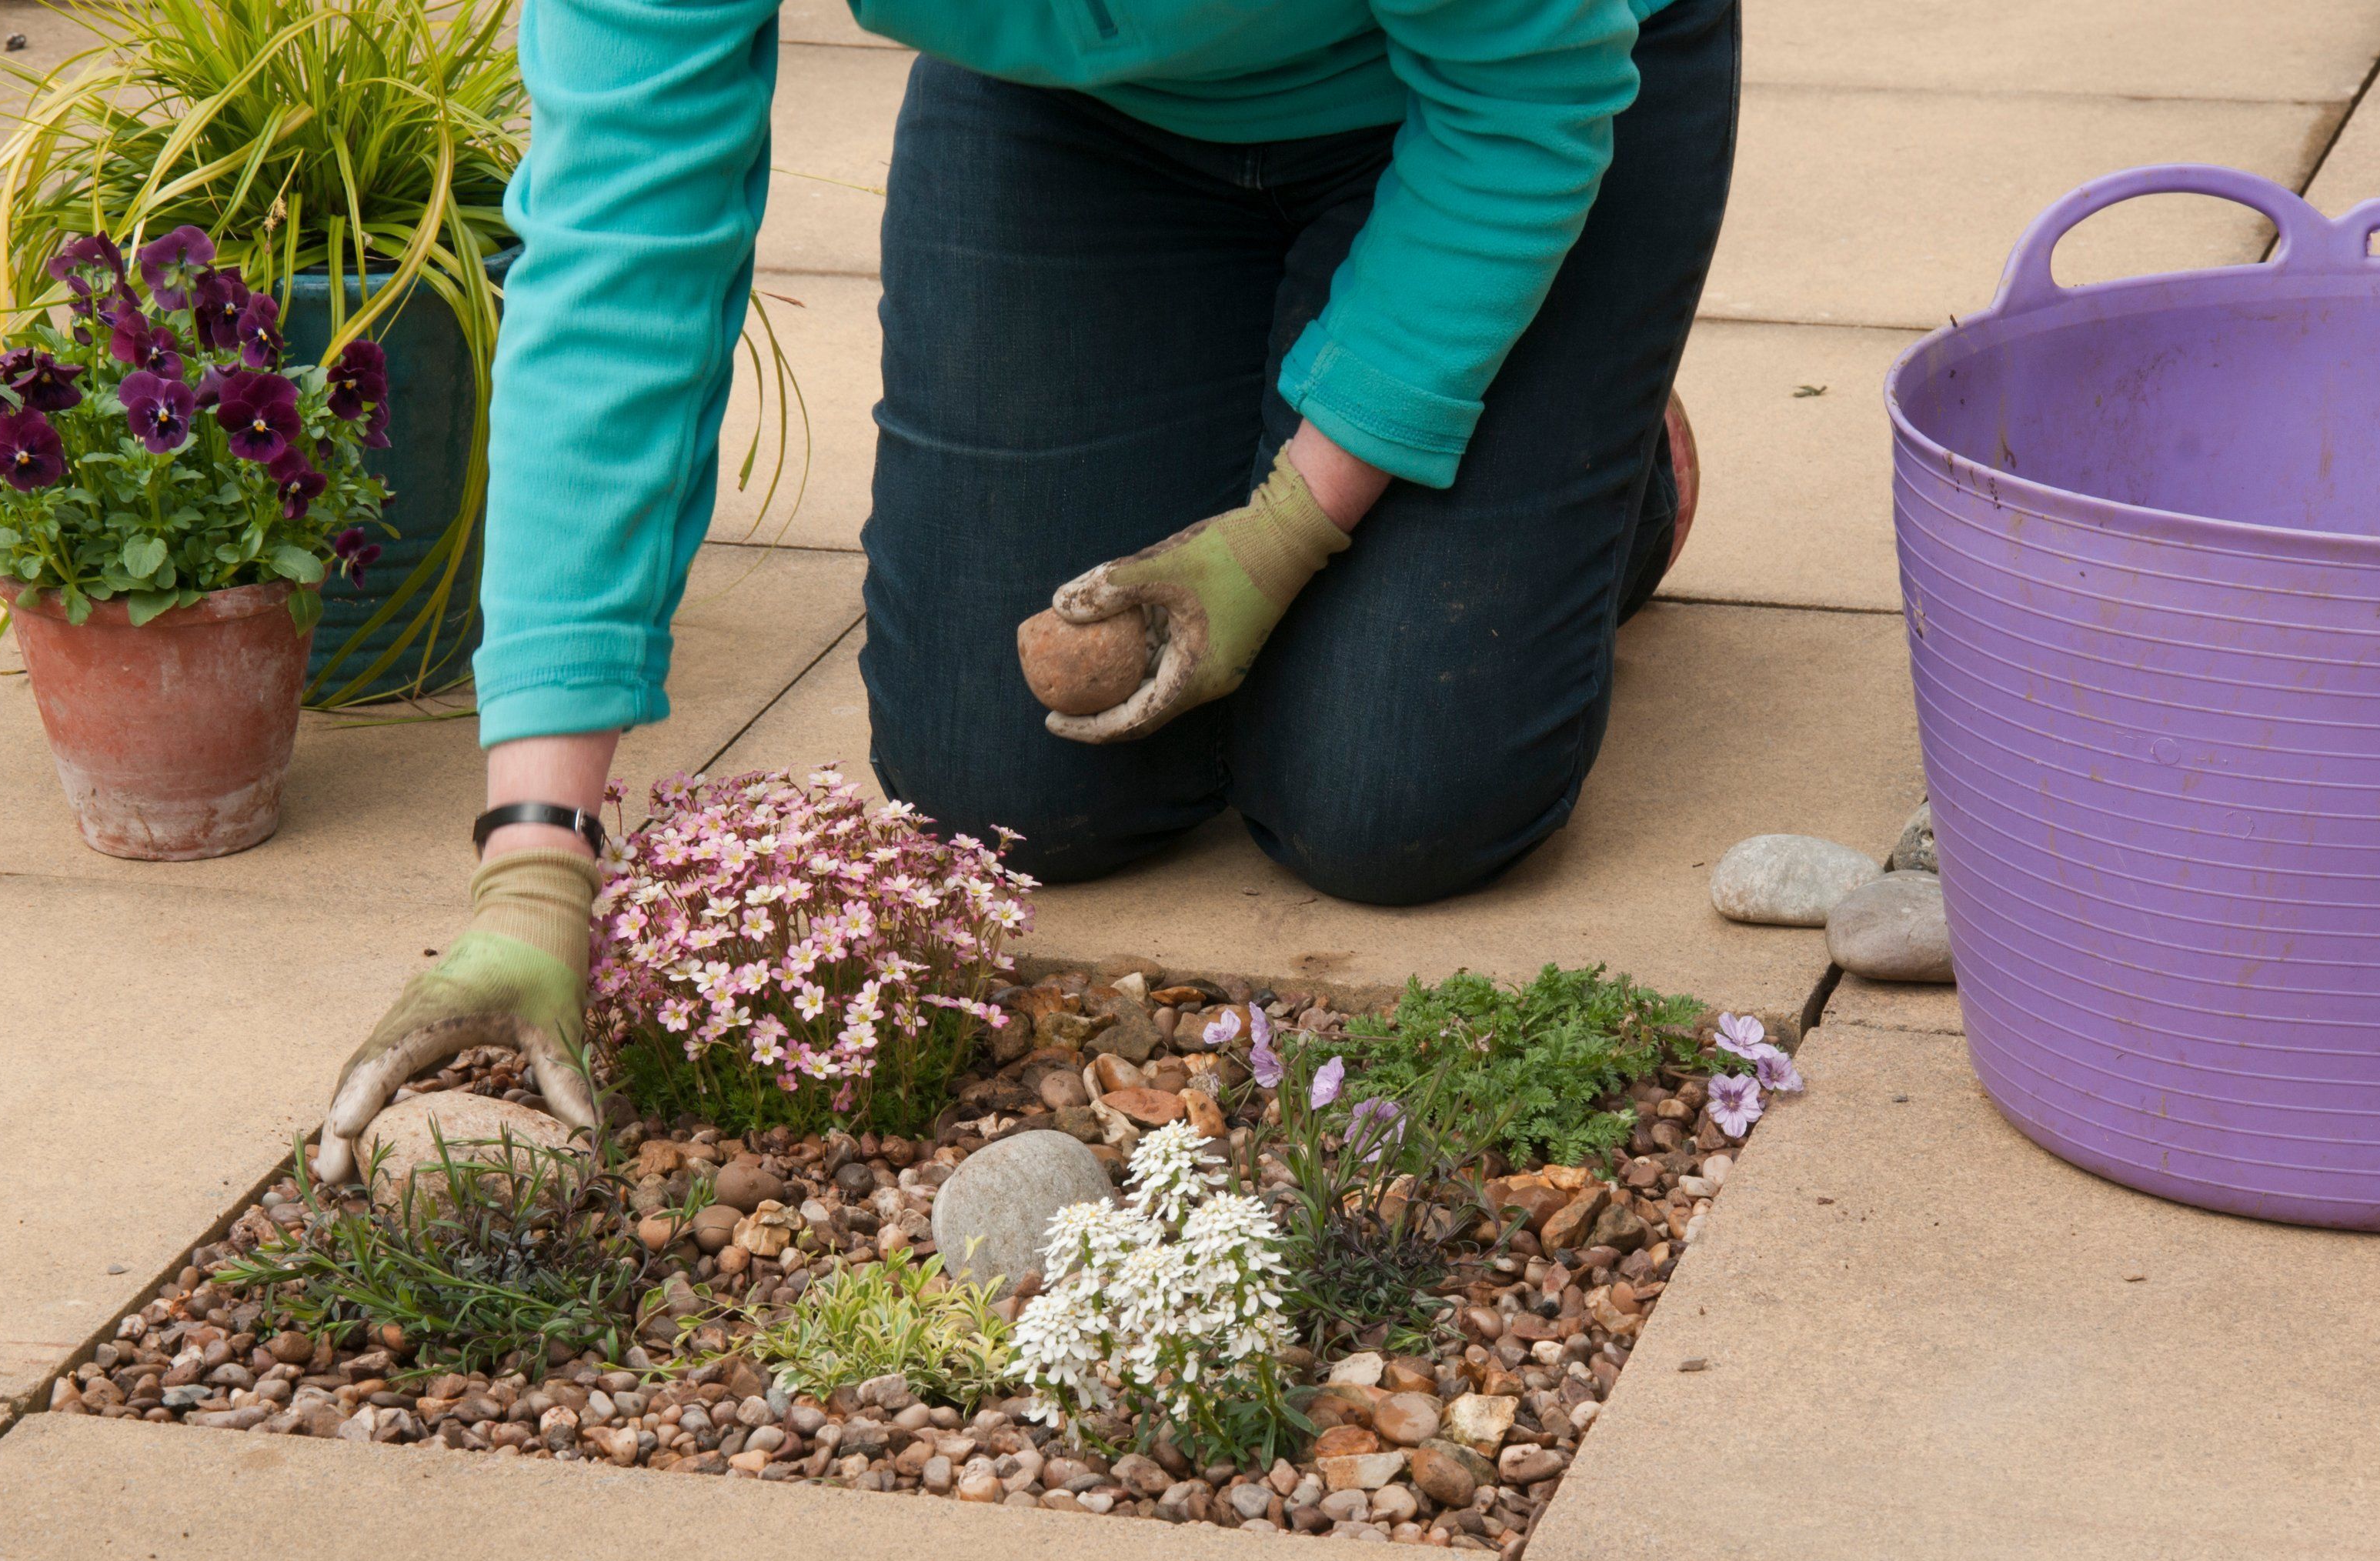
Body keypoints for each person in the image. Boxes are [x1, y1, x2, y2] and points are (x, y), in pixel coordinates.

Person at [313, 0, 1737, 1180]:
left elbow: (1527, 100)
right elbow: (626, 231)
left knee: (1390, 799)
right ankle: (1398, 420)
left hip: (1517, 83)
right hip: (1086, 110)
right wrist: (535, 857)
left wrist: (1291, 526)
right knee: (1004, 785)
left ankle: (1599, 473)